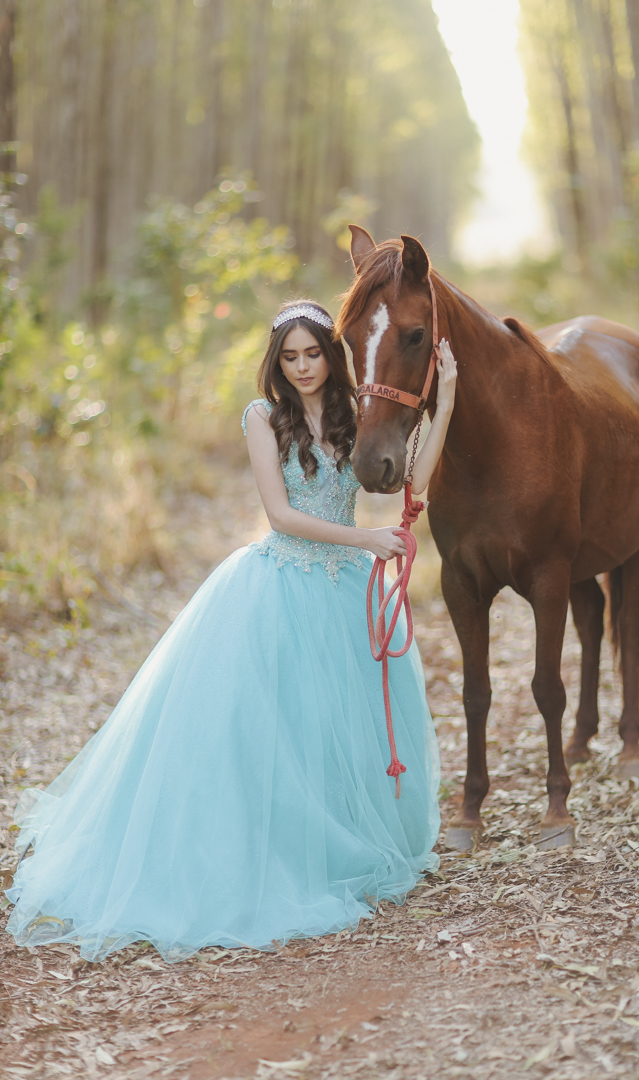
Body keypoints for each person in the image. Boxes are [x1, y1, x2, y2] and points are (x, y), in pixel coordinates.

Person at [5, 301, 458, 963]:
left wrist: (446, 402)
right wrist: (367, 538)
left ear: (330, 354)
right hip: (283, 583)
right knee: (278, 728)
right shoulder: (262, 418)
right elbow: (281, 516)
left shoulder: (353, 412)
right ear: (277, 362)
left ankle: (342, 842)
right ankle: (275, 854)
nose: (302, 367)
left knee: (338, 725)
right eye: (290, 357)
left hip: (344, 590)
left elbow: (412, 481)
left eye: (312, 353)